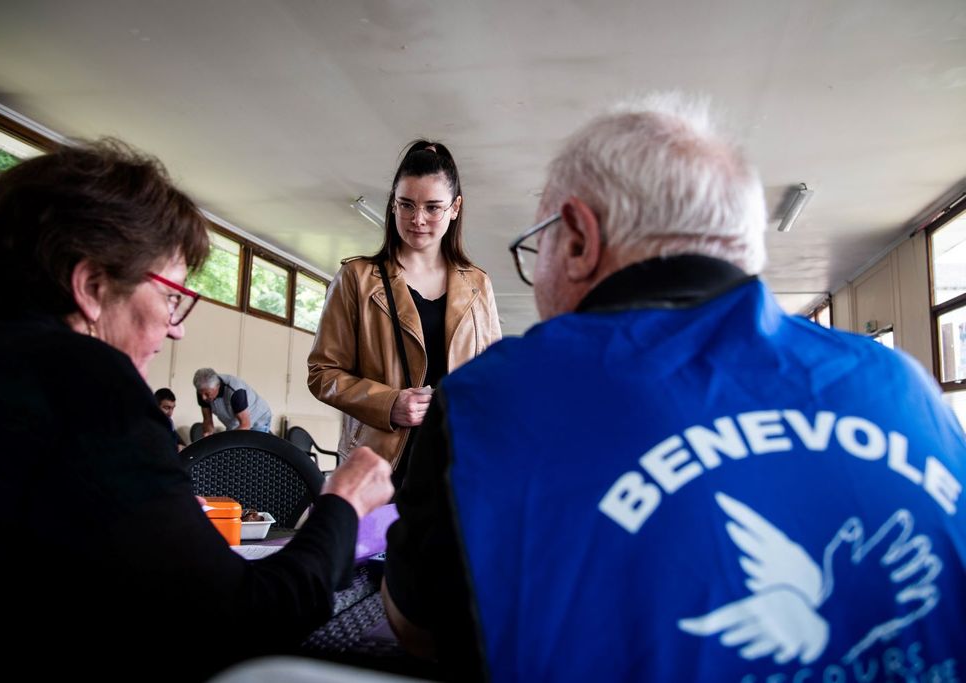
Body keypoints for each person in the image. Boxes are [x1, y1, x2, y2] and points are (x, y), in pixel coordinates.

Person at [381, 96, 966, 681]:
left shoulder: (491, 405)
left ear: (580, 239)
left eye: (542, 242)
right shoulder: (903, 387)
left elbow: (418, 632)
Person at [0, 140, 394, 681]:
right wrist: (343, 502)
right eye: (171, 296)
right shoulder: (94, 385)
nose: (175, 326)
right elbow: (239, 623)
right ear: (91, 286)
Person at [308, 140, 502, 486]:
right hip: (380, 465)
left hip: (459, 465)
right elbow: (323, 373)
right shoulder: (357, 279)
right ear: (392, 204)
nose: (417, 219)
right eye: (406, 205)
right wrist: (389, 403)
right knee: (381, 543)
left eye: (433, 207)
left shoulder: (477, 284)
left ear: (455, 208)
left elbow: (495, 377)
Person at [193, 367, 273, 435]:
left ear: (217, 386)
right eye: (201, 393)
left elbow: (245, 425)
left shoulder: (235, 390)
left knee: (253, 449)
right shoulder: (203, 390)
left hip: (258, 418)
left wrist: (225, 441)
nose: (203, 397)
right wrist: (208, 434)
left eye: (207, 394)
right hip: (235, 422)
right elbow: (207, 420)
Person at [155, 386, 186, 451]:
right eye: (166, 408)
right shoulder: (146, 425)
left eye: (172, 408)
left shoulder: (169, 423)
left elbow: (181, 444)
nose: (170, 413)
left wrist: (180, 447)